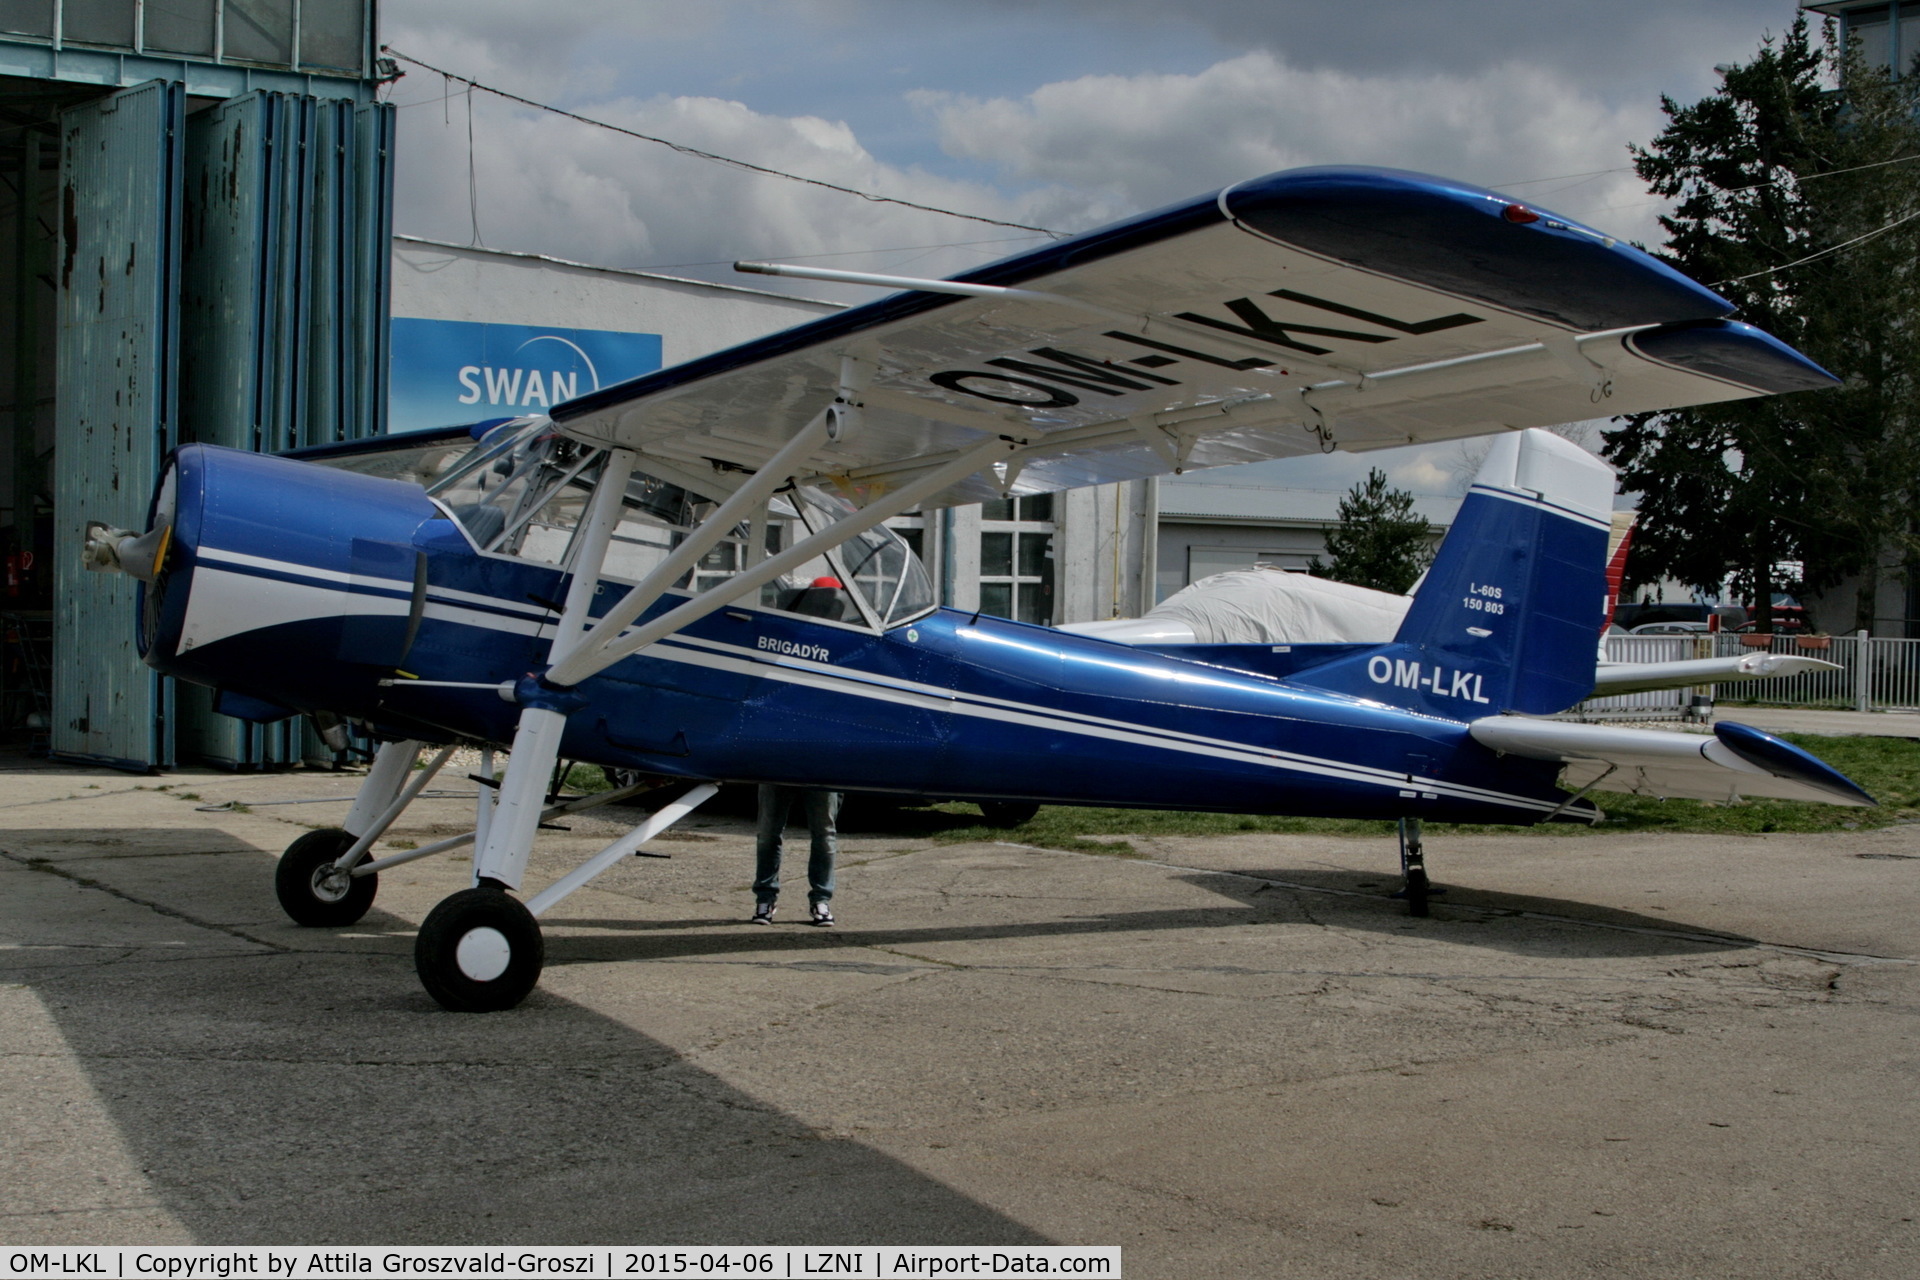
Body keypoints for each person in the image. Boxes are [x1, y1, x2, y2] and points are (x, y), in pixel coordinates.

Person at [751, 784, 840, 926]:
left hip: (821, 770)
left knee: (824, 835)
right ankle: (765, 900)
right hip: (776, 769)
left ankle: (821, 901)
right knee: (767, 833)